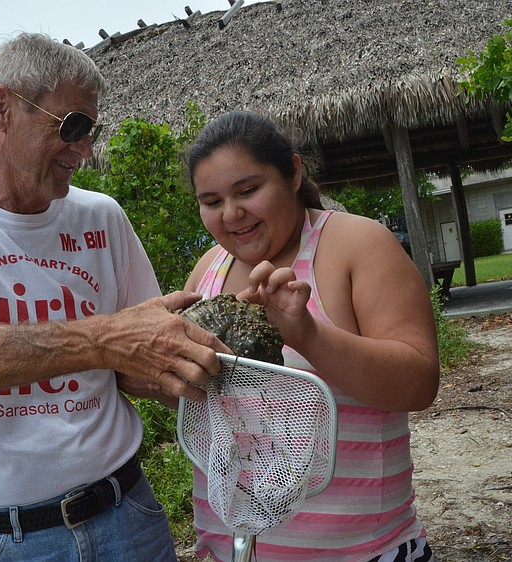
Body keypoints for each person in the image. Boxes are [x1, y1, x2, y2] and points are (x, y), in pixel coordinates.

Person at [0, 32, 229, 562]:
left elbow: (138, 364)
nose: (86, 149)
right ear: (3, 108)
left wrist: (222, 347)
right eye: (73, 125)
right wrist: (100, 339)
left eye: (91, 130)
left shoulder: (102, 217)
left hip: (127, 514)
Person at [183, 111, 440, 562]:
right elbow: (206, 409)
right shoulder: (207, 271)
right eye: (211, 200)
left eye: (248, 191)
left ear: (294, 172)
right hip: (232, 550)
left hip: (360, 550)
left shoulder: (358, 245)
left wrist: (307, 334)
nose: (232, 213)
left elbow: (418, 383)